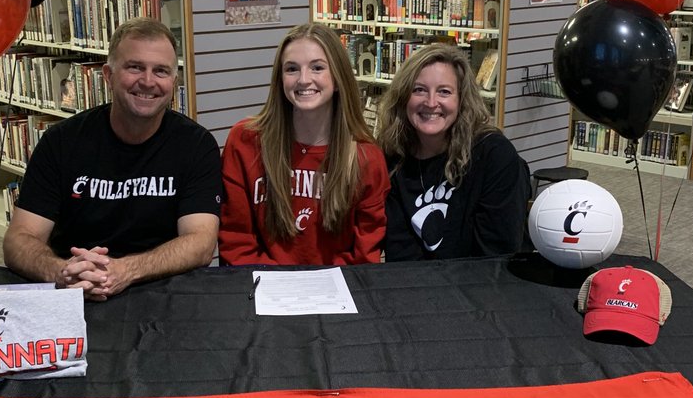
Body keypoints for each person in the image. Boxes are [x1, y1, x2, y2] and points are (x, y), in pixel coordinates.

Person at [3, 18, 221, 300]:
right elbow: (18, 240)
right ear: (108, 75)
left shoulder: (196, 145)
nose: (148, 81)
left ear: (173, 81)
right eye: (135, 67)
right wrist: (61, 272)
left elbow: (201, 242)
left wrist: (126, 270)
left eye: (161, 71)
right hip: (74, 291)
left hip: (161, 294)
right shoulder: (61, 142)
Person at [219, 23, 389, 265]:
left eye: (318, 67)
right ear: (279, 79)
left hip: (336, 294)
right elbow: (236, 241)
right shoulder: (245, 141)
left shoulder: (366, 157)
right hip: (263, 290)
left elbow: (364, 256)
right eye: (291, 69)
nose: (304, 79)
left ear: (339, 78)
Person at [377, 43, 530, 260]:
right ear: (403, 97)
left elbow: (496, 256)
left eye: (444, 92)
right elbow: (399, 253)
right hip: (411, 286)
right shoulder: (392, 156)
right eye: (419, 89)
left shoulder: (494, 155)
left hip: (477, 288)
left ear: (461, 100)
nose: (431, 102)